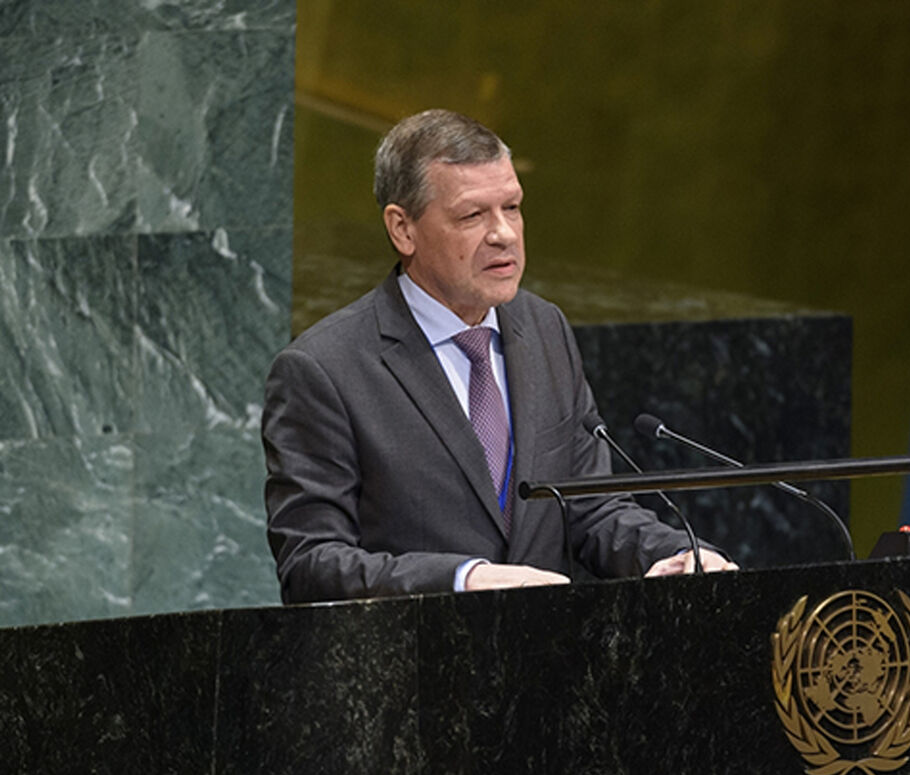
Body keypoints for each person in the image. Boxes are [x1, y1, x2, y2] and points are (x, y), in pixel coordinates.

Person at [262, 109, 735, 603]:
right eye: (473, 216)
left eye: (512, 207)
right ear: (403, 229)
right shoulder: (322, 370)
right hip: (417, 649)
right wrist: (465, 578)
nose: (504, 233)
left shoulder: (544, 327)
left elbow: (590, 508)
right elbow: (311, 563)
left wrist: (675, 554)